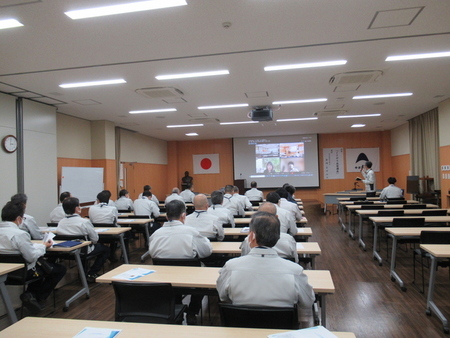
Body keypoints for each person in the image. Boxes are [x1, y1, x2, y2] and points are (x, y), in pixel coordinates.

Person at [216, 211, 314, 308]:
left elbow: (223, 296)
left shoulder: (231, 267)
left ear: (251, 236)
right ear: (278, 237)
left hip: (239, 322)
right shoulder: (295, 271)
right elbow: (307, 302)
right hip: (280, 323)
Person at [148, 200, 212, 324]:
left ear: (166, 217)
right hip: (190, 276)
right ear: (184, 216)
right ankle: (193, 311)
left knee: (173, 279)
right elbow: (206, 252)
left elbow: (152, 253)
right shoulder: (191, 232)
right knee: (204, 273)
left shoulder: (156, 234)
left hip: (164, 277)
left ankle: (177, 307)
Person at [0, 201, 66, 314]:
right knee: (59, 269)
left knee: (40, 268)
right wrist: (43, 247)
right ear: (19, 219)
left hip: (5, 273)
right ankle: (38, 297)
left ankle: (31, 295)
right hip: (23, 273)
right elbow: (31, 257)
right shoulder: (19, 234)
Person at [57, 197, 110, 283]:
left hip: (66, 252)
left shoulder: (61, 222)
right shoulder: (84, 222)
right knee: (106, 250)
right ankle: (92, 273)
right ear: (77, 209)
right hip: (83, 251)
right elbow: (95, 239)